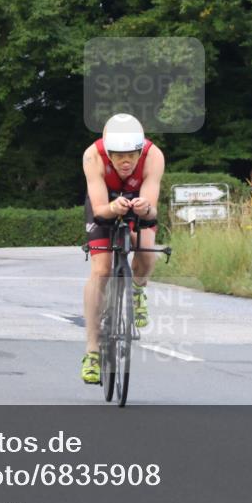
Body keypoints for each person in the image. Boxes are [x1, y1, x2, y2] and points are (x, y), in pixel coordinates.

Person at [80, 113, 165, 384]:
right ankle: (92, 352)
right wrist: (112, 208)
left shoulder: (154, 156)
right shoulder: (92, 156)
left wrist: (144, 208)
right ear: (108, 151)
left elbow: (151, 211)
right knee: (101, 270)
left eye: (132, 155)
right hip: (105, 203)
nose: (126, 161)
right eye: (118, 155)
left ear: (141, 150)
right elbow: (99, 209)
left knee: (147, 249)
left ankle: (138, 290)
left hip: (138, 201)